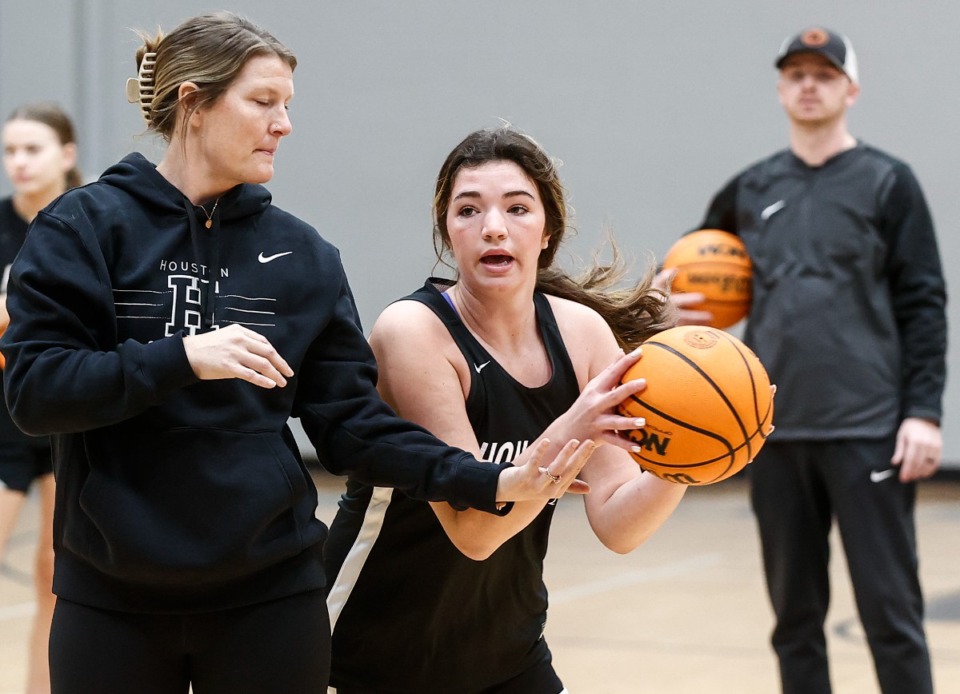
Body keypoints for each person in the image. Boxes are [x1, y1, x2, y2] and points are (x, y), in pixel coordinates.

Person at [0, 14, 617, 694]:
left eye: (288, 104)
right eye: (263, 101)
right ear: (193, 103)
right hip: (110, 597)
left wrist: (491, 482)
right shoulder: (84, 226)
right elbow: (35, 389)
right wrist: (182, 357)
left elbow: (354, 429)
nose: (284, 123)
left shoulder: (303, 255)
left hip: (268, 599)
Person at [324, 126, 689, 694]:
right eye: (469, 210)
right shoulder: (415, 333)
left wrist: (684, 460)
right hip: (379, 651)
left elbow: (618, 523)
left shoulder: (581, 333)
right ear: (448, 231)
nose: (493, 226)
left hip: (505, 645)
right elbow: (473, 531)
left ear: (547, 231)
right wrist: (572, 428)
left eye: (518, 208)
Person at [692, 27, 946, 694]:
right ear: (780, 90)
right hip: (772, 432)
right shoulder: (749, 189)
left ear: (850, 90)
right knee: (794, 620)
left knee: (891, 616)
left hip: (868, 430)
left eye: (824, 74)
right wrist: (670, 309)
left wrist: (923, 411)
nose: (809, 84)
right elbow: (694, 283)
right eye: (797, 74)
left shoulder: (890, 182)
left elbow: (925, 303)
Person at [0, 101, 81, 694]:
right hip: (3, 417)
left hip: (62, 418)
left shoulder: (86, 222)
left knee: (56, 573)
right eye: (10, 151)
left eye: (33, 149)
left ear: (66, 156)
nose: (19, 163)